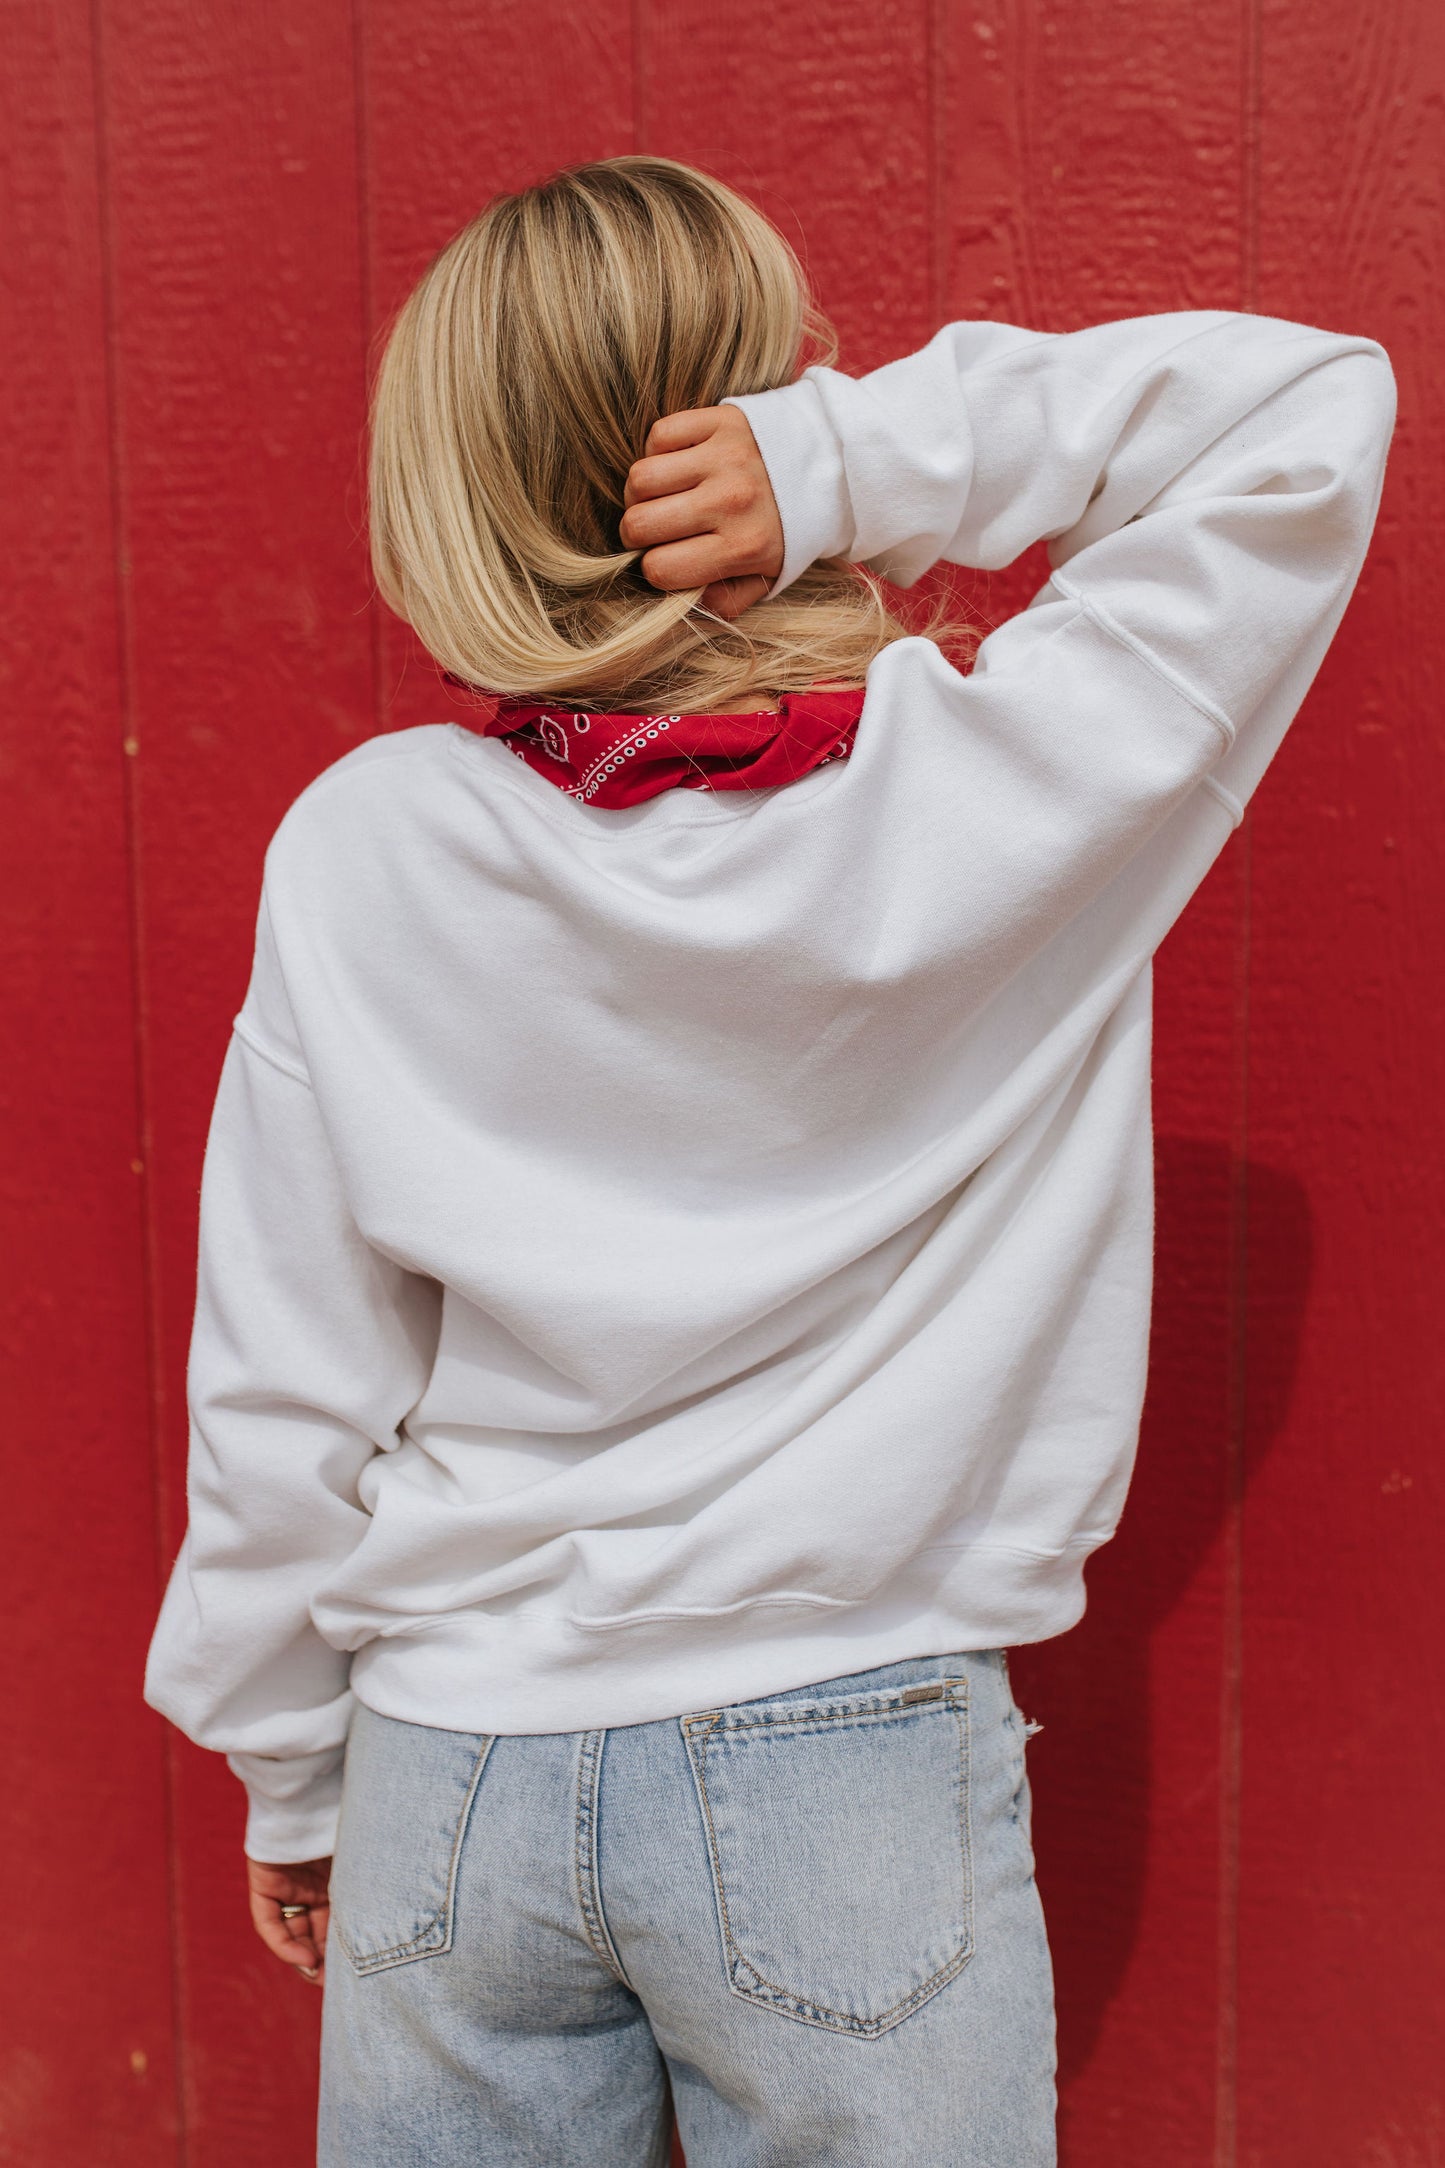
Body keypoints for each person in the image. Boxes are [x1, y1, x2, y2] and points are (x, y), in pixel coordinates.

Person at [143, 156, 1394, 2166]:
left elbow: (286, 1380)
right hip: (852, 1759)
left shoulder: (367, 846)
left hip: (450, 1764)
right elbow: (1305, 407)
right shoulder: (1007, 786)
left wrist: (293, 1768)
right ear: (751, 409)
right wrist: (846, 462)